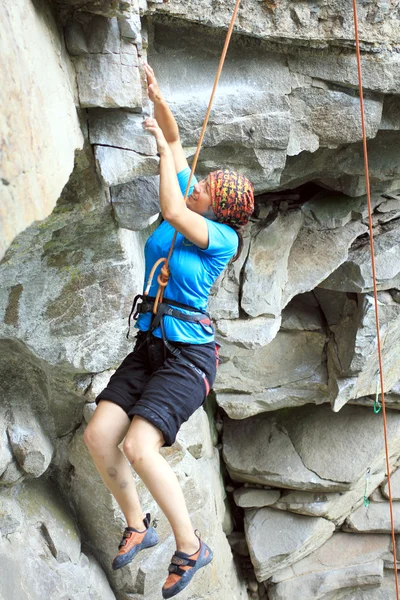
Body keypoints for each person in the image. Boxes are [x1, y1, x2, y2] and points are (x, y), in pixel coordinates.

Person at [84, 62, 254, 599]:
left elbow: (172, 208)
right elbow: (178, 140)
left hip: (189, 358)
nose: (196, 184)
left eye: (204, 188)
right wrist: (158, 102)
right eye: (199, 183)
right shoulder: (195, 203)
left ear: (217, 208)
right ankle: (138, 524)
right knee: (98, 435)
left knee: (138, 444)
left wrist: (165, 159)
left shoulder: (220, 239)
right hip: (152, 343)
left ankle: (191, 546)